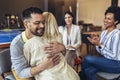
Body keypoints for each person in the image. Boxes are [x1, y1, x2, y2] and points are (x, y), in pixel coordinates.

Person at [10, 7, 65, 80]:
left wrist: (62, 47)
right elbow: (21, 73)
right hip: (26, 72)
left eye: (43, 22)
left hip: (43, 67)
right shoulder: (17, 44)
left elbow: (62, 54)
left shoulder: (44, 35)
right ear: (26, 25)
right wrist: (43, 66)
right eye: (37, 23)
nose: (42, 26)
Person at [23, 12, 80, 80]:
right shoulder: (59, 36)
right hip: (69, 74)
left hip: (50, 76)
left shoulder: (30, 44)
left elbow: (26, 68)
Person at [82, 6, 120, 80]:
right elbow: (101, 51)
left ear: (116, 21)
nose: (105, 20)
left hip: (116, 64)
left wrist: (100, 45)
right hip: (106, 61)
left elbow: (115, 56)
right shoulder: (104, 33)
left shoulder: (117, 34)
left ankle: (81, 77)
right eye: (105, 17)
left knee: (87, 58)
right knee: (88, 71)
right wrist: (97, 43)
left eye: (109, 19)